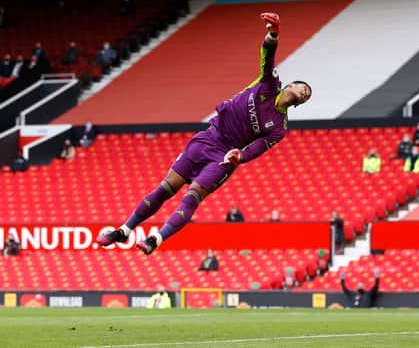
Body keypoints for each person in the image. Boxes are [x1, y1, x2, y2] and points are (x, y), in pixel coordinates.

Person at [96, 13, 312, 255]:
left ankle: (157, 238)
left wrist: (239, 157)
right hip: (207, 137)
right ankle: (124, 230)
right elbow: (268, 55)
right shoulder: (269, 84)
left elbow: (258, 148)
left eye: (306, 95)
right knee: (166, 187)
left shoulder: (279, 127)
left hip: (224, 156)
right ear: (289, 85)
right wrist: (274, 33)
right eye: (302, 87)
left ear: (299, 104)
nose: (303, 93)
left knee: (192, 196)